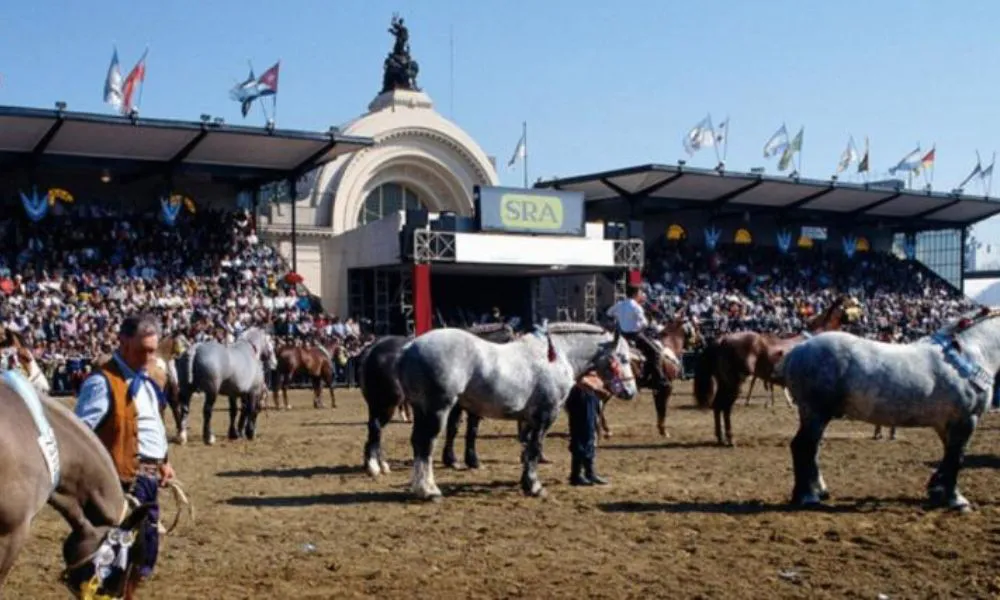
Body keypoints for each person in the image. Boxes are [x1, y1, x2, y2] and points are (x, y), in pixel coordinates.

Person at [74, 313, 175, 596]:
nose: (149, 357)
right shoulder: (102, 383)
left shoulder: (147, 383)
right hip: (121, 484)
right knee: (114, 558)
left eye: (153, 351)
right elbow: (81, 435)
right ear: (123, 342)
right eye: (143, 350)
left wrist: (165, 462)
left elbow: (152, 426)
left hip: (148, 480)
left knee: (143, 554)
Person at [606, 284, 664, 385]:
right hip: (635, 336)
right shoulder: (636, 307)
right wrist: (639, 324)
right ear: (636, 294)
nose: (641, 295)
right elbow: (644, 323)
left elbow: (609, 313)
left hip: (621, 337)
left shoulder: (619, 304)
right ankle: (658, 379)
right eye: (640, 293)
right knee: (656, 353)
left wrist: (619, 318)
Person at [566, 372, 607, 486]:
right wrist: (593, 387)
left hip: (590, 391)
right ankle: (576, 474)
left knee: (590, 432)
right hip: (581, 392)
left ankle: (590, 472)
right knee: (582, 433)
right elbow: (576, 374)